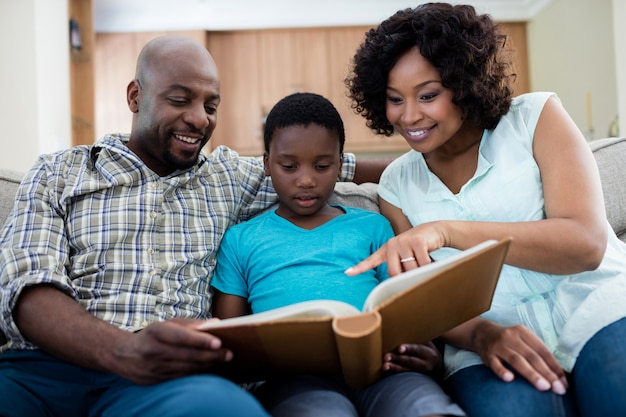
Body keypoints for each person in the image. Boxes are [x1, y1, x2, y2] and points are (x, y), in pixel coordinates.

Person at [0, 36, 387, 417]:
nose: (201, 118)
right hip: (43, 369)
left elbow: (327, 163)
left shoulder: (227, 175)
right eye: (180, 100)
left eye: (211, 105)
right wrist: (126, 349)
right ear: (136, 96)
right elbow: (27, 288)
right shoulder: (59, 172)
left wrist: (430, 160)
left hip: (168, 378)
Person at [343, 3, 626, 417]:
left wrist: (447, 231)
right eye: (394, 99)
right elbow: (423, 299)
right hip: (487, 345)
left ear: (463, 83)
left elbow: (584, 245)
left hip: (600, 306)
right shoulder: (397, 186)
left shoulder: (536, 118)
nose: (410, 116)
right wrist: (482, 336)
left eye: (428, 95)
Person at [210, 91, 465, 417]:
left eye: (322, 166)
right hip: (293, 381)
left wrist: (427, 352)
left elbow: (406, 308)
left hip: (382, 369)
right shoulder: (241, 239)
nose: (305, 180)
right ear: (266, 165)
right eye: (288, 166)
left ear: (341, 164)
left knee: (427, 410)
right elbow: (232, 337)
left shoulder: (373, 226)